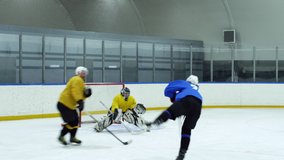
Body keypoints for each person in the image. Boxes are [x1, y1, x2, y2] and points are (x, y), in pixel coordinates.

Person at [146, 75, 202, 160]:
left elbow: (169, 88)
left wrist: (172, 97)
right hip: (198, 106)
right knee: (186, 129)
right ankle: (182, 154)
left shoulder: (185, 84)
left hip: (187, 100)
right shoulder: (197, 90)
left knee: (170, 112)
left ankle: (155, 122)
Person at [57, 66, 92, 145]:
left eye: (85, 72)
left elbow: (79, 94)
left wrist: (85, 95)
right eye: (82, 72)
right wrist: (80, 101)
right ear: (78, 72)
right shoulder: (77, 79)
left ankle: (72, 138)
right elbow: (75, 91)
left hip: (69, 105)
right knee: (72, 121)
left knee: (76, 121)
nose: (84, 74)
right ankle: (61, 136)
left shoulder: (81, 82)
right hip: (64, 104)